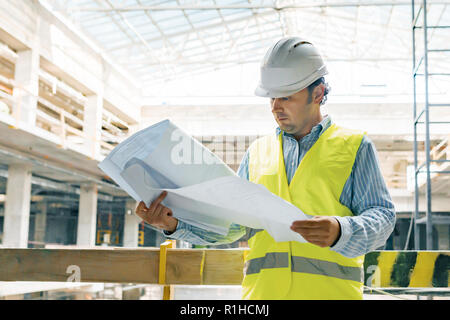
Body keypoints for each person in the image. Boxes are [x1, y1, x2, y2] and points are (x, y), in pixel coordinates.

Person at [135, 37, 396, 300]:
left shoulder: (355, 147)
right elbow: (233, 226)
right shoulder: (258, 152)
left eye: (286, 97)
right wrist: (174, 223)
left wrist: (342, 231)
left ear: (317, 94)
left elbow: (383, 217)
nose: (275, 107)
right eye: (272, 97)